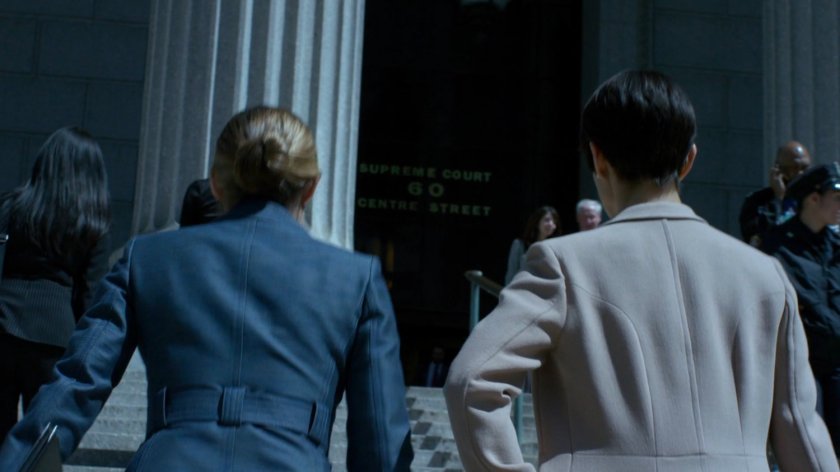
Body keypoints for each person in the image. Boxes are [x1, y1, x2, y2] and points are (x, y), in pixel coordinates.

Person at [443, 70, 838, 471]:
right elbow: (800, 428)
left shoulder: (560, 264)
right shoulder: (766, 274)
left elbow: (471, 382)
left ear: (598, 157)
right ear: (689, 160)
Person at [0, 106, 413, 471]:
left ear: (216, 183)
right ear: (311, 187)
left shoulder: (147, 258)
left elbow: (77, 382)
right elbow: (381, 442)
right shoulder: (356, 277)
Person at [0, 127, 111, 443]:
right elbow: (90, 294)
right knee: (41, 440)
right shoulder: (93, 223)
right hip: (54, 335)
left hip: (3, 323)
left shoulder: (11, 206)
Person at [761, 162, 840, 455]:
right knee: (809, 449)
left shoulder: (835, 246)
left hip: (837, 363)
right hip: (802, 366)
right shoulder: (779, 246)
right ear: (814, 199)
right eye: (837, 197)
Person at [739, 141, 811, 246]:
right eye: (794, 168)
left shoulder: (814, 200)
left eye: (805, 168)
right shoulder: (757, 202)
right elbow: (758, 238)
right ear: (779, 169)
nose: (801, 173)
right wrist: (778, 200)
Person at [504, 206, 560, 284]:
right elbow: (511, 274)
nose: (551, 224)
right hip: (519, 289)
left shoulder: (553, 250)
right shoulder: (519, 245)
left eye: (554, 222)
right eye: (547, 220)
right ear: (537, 222)